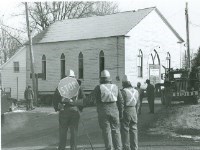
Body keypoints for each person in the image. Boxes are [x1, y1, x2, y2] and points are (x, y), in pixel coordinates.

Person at [53, 69, 85, 150]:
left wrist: (57, 108)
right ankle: (73, 148)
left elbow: (55, 99)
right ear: (74, 77)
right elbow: (83, 99)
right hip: (74, 111)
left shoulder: (60, 86)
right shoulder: (77, 87)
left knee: (63, 132)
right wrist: (80, 108)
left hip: (64, 110)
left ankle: (61, 148)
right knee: (74, 132)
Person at [92, 70, 124, 150]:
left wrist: (75, 103)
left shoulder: (98, 88)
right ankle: (118, 148)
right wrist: (121, 114)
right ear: (109, 78)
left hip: (103, 112)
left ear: (101, 78)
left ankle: (109, 148)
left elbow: (90, 100)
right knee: (116, 131)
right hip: (115, 112)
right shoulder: (115, 87)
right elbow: (121, 101)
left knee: (107, 132)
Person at [121, 75, 140, 150]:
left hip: (126, 110)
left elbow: (121, 104)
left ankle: (126, 148)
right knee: (134, 130)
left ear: (124, 83)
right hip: (134, 111)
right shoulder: (136, 91)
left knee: (125, 130)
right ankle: (135, 147)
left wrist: (121, 114)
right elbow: (138, 104)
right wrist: (136, 112)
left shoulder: (123, 92)